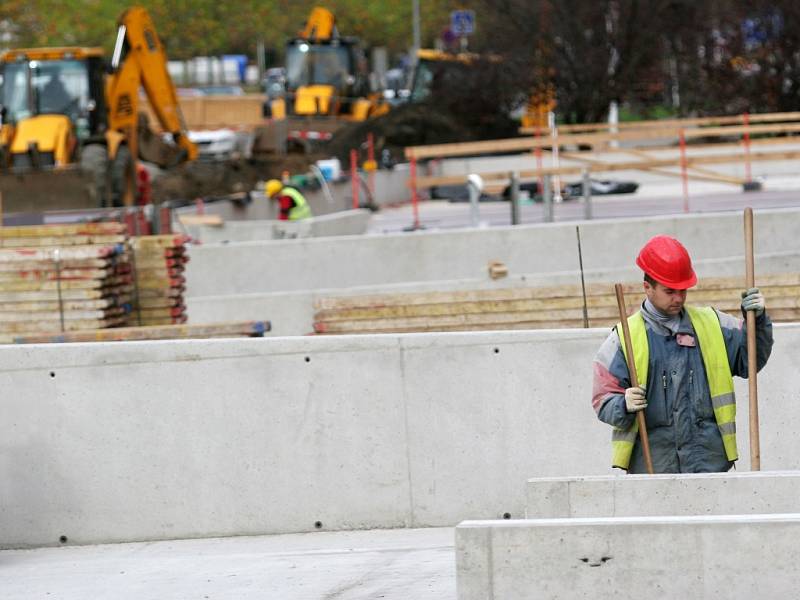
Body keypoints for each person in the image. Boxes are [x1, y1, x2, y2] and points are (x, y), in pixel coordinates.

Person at [591, 235, 773, 474]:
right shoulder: (623, 339)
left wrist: (757, 321)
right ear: (647, 287)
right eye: (670, 291)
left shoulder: (714, 324)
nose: (678, 298)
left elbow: (750, 360)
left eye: (682, 290)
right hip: (654, 467)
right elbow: (602, 400)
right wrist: (622, 404)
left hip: (709, 465)